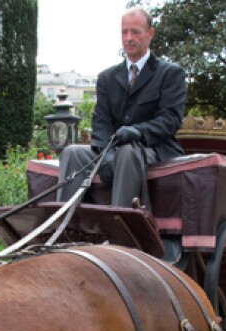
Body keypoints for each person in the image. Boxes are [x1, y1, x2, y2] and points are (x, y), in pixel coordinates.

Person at [57, 7, 187, 209]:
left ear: (150, 34)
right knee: (72, 152)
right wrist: (105, 152)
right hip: (114, 149)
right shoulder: (107, 78)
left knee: (127, 152)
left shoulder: (170, 74)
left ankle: (121, 230)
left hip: (154, 149)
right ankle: (62, 229)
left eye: (135, 31)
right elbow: (101, 120)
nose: (129, 38)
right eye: (124, 32)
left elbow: (170, 119)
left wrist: (137, 132)